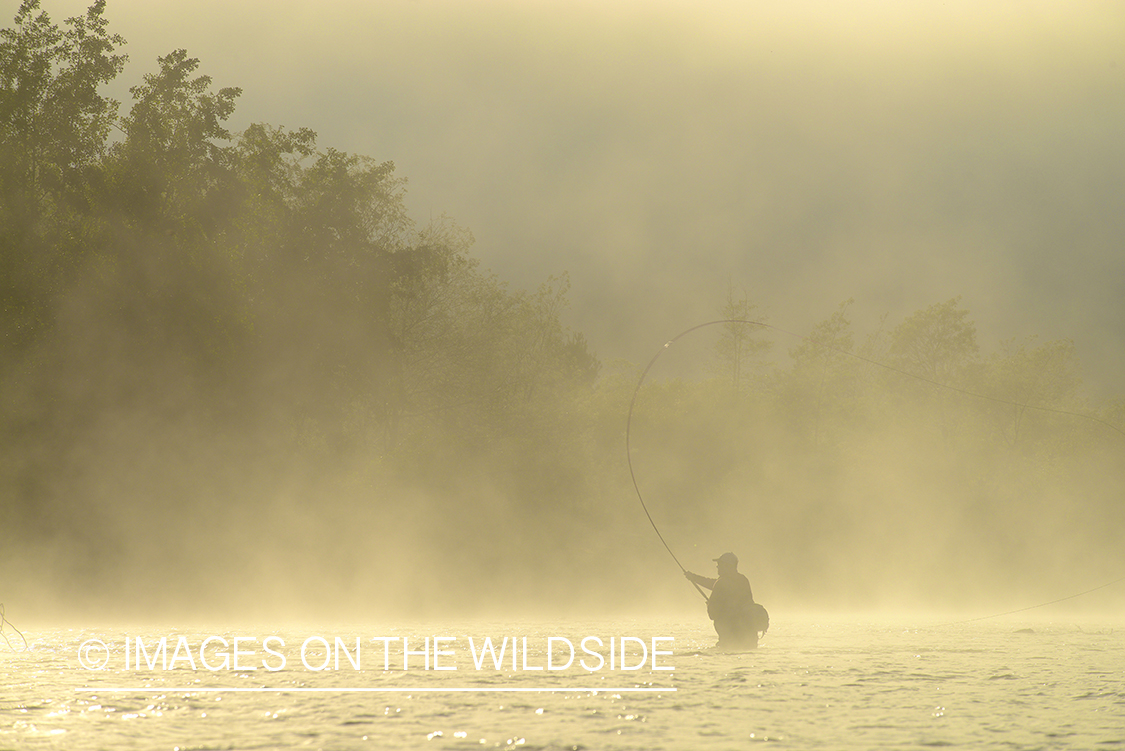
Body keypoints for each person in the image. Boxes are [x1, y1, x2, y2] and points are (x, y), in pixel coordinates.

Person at [684, 552, 762, 650]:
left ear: (726, 566)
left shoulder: (721, 583)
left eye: (719, 565)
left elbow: (712, 614)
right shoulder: (743, 580)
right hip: (749, 637)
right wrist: (694, 578)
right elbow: (714, 583)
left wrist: (709, 605)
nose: (717, 567)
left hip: (730, 637)